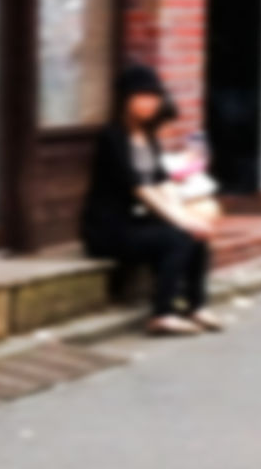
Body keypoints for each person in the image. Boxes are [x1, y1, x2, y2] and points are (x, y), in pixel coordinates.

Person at [81, 65, 224, 336]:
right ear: (125, 98)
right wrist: (182, 221)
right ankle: (162, 313)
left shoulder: (148, 137)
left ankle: (197, 305)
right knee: (178, 238)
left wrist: (189, 219)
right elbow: (140, 189)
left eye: (154, 97)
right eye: (141, 96)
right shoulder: (112, 138)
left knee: (196, 235)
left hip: (135, 221)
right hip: (107, 229)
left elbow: (162, 184)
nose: (149, 103)